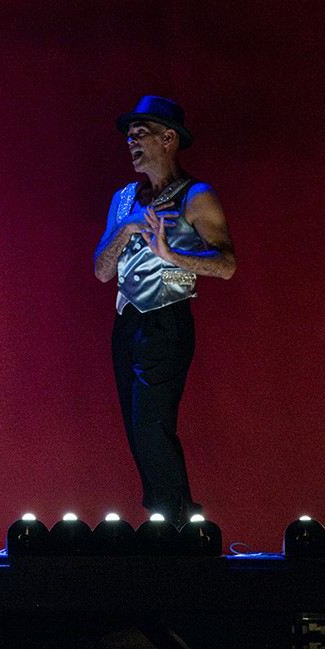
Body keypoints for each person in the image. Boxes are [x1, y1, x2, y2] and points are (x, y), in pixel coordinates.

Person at [92, 96, 235, 526]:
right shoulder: (123, 199)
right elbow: (102, 271)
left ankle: (178, 522)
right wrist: (127, 226)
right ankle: (166, 519)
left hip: (167, 320)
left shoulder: (196, 196)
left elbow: (226, 264)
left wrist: (173, 255)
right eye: (128, 137)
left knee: (151, 425)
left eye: (141, 134)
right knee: (138, 431)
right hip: (127, 324)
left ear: (169, 138)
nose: (131, 143)